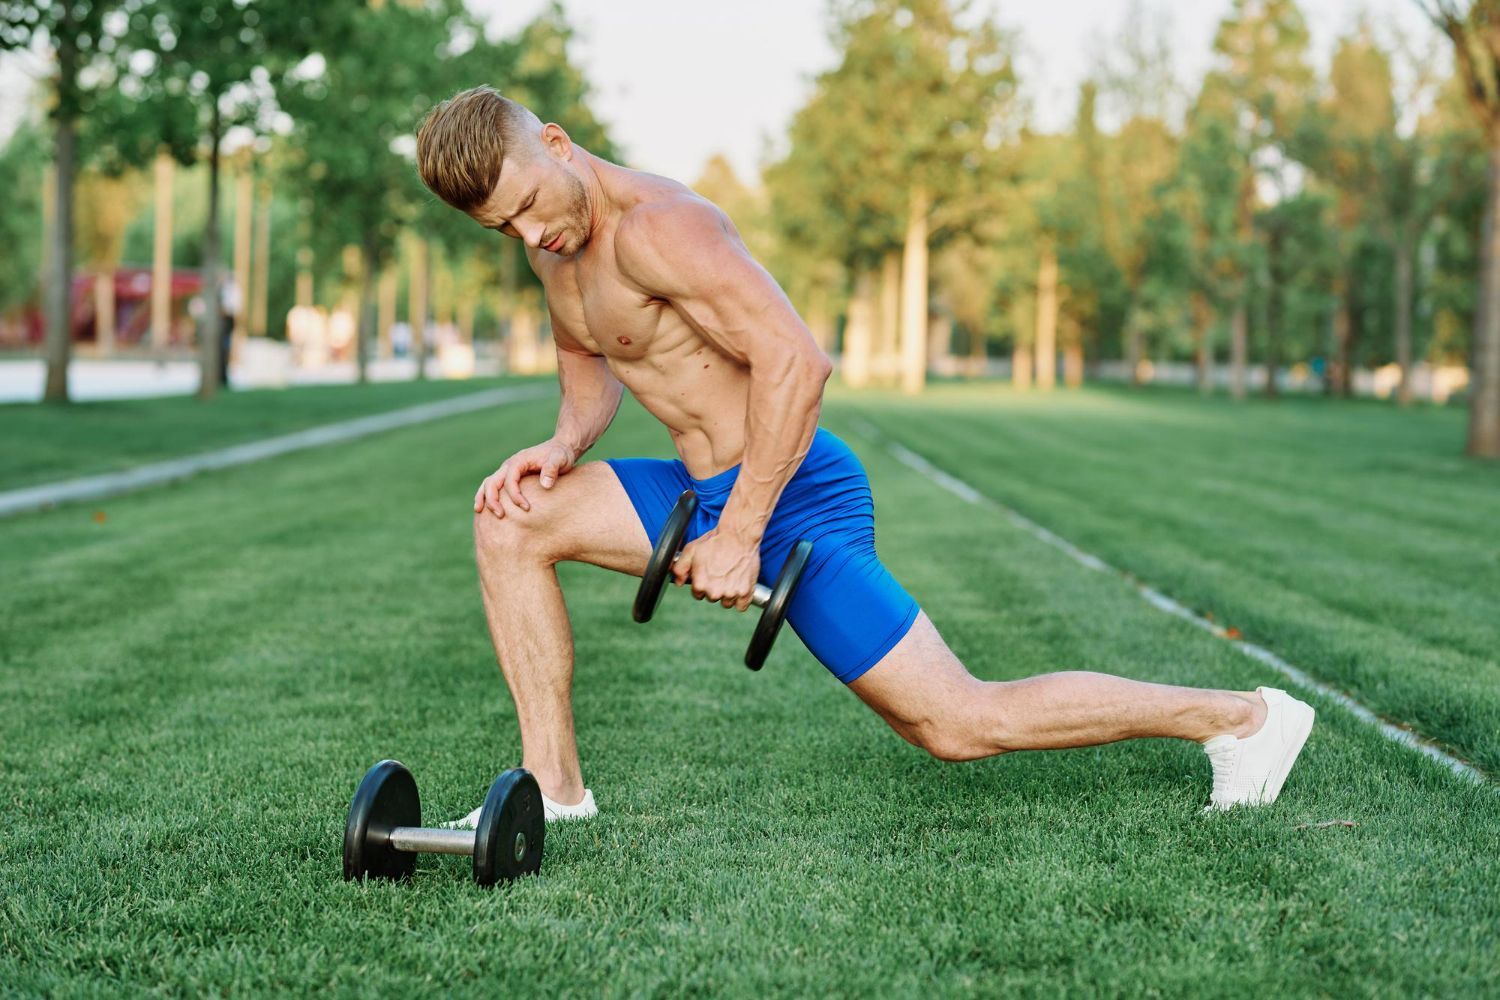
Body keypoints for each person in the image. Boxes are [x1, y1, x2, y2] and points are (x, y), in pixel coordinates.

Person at [414, 86, 1314, 826]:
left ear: (559, 144)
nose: (529, 237)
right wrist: (563, 443)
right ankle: (554, 792)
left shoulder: (664, 229)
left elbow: (798, 361)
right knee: (510, 520)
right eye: (504, 229)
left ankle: (1242, 718)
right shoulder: (554, 250)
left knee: (957, 723)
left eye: (527, 208)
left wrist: (742, 530)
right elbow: (591, 359)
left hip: (791, 487)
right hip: (702, 485)